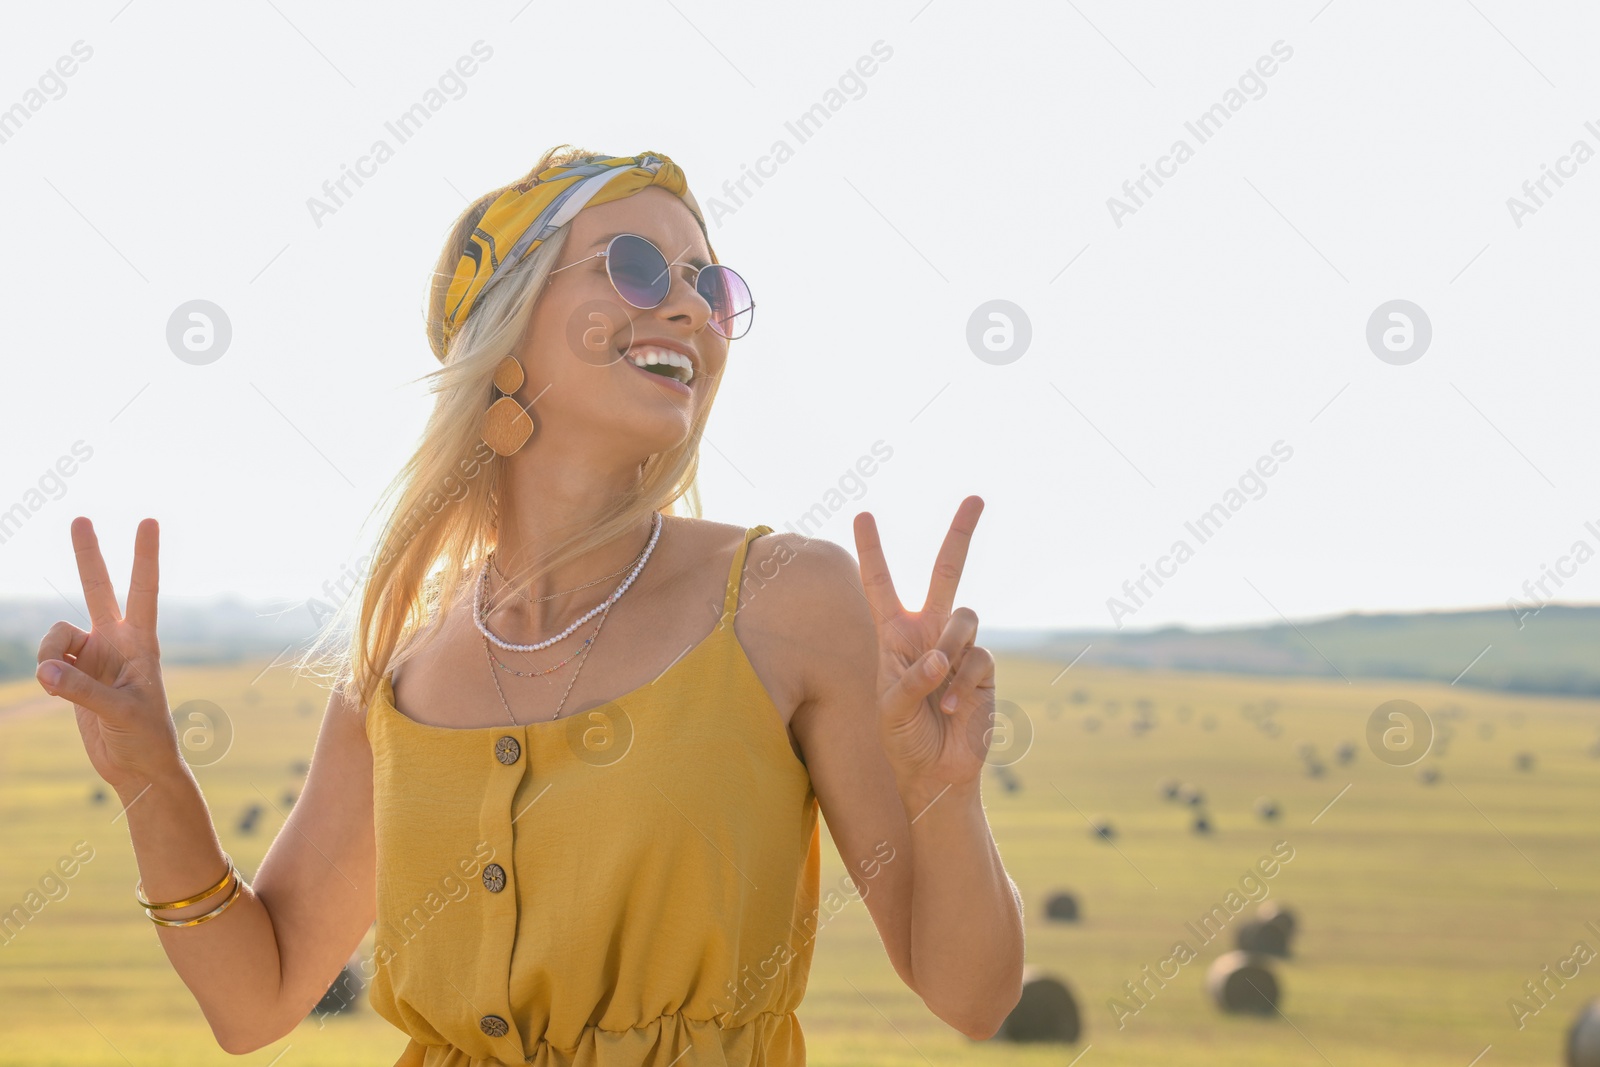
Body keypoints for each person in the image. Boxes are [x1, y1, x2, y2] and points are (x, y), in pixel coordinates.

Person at [34, 147, 1024, 1066]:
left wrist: (944, 791)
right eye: (634, 266)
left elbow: (971, 997)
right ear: (505, 321)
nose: (687, 306)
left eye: (707, 283)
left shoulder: (787, 600)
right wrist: (151, 776)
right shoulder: (398, 654)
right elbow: (256, 1000)